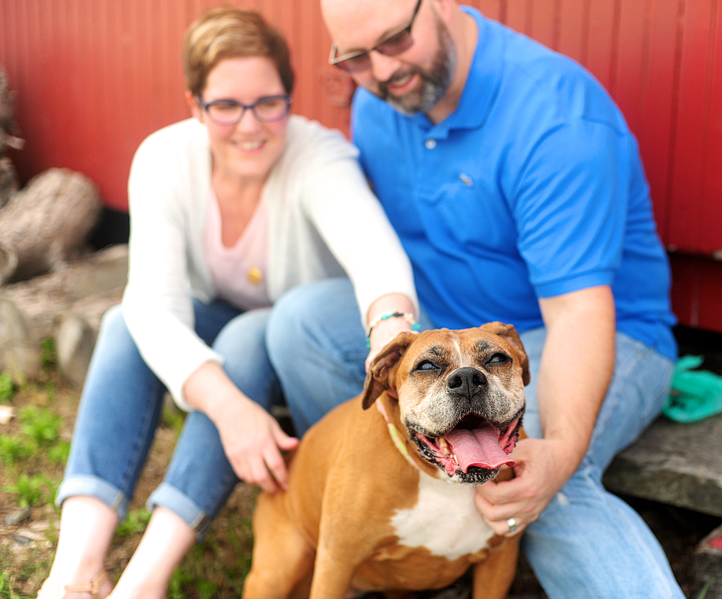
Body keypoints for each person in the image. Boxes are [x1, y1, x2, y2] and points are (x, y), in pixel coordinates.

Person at [267, 0, 686, 597]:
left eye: (394, 40)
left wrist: (562, 451)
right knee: (299, 325)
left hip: (587, 332)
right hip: (442, 329)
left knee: (532, 478)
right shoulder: (383, 104)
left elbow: (576, 313)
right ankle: (383, 533)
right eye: (356, 57)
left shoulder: (556, 118)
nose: (383, 72)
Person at [37, 7, 417, 599]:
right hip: (229, 335)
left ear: (290, 99)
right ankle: (76, 569)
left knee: (247, 335)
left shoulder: (319, 158)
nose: (250, 125)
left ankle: (146, 580)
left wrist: (393, 327)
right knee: (123, 323)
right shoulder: (165, 159)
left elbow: (377, 258)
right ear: (195, 105)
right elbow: (155, 306)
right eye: (225, 106)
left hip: (305, 349)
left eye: (269, 102)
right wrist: (232, 410)